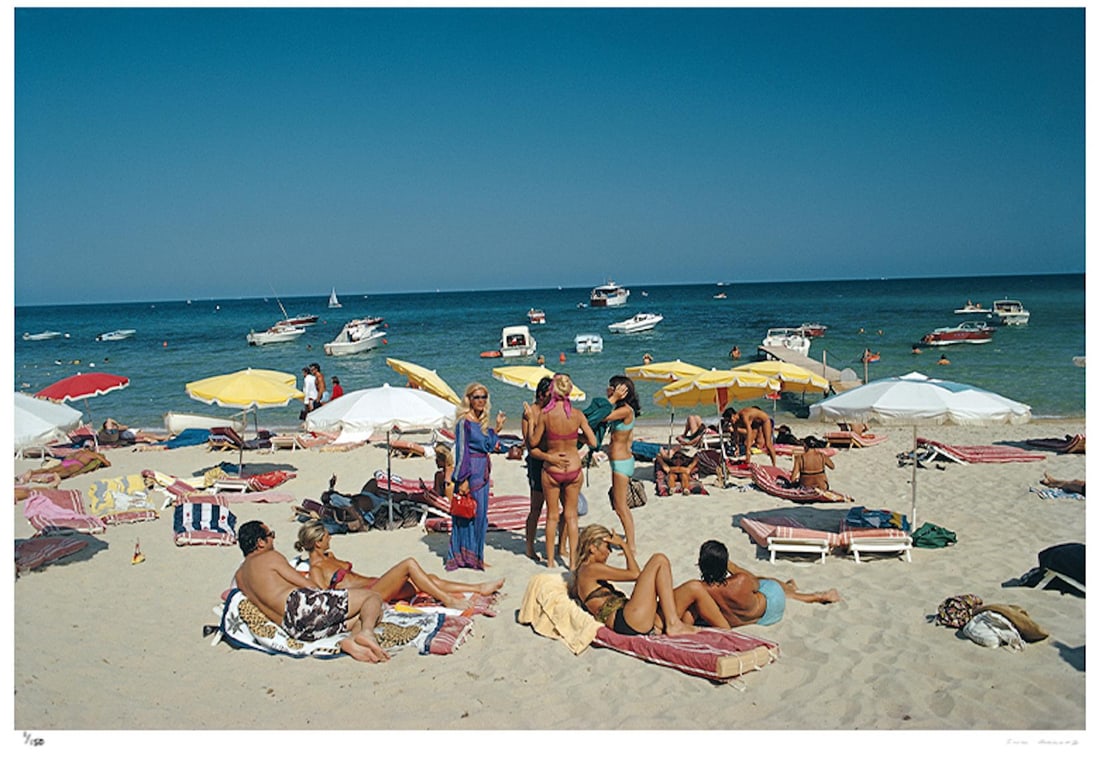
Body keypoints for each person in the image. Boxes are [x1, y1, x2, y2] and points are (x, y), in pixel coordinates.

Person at [233, 520, 389, 662]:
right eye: (270, 535)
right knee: (372, 597)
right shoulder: (269, 557)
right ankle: (366, 633)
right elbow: (309, 586)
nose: (273, 539)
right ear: (260, 542)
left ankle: (352, 640)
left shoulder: (239, 576)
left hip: (294, 629)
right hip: (300, 606)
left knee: (371, 613)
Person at [294, 521, 504, 610]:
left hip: (375, 584)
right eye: (327, 536)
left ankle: (478, 588)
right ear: (317, 542)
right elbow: (321, 596)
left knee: (427, 579)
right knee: (409, 565)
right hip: (368, 594)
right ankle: (448, 600)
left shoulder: (329, 556)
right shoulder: (316, 570)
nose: (330, 538)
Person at [570, 524, 725, 636]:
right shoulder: (590, 569)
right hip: (626, 620)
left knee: (694, 587)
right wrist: (624, 546)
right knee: (659, 559)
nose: (610, 552)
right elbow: (635, 574)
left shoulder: (585, 574)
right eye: (607, 547)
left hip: (636, 618)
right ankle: (673, 624)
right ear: (592, 548)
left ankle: (728, 632)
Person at [687, 540, 840, 627]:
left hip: (759, 619)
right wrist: (732, 567)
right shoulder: (740, 580)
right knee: (764, 583)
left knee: (762, 585)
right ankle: (813, 596)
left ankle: (790, 588)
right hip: (771, 609)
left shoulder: (699, 592)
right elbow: (755, 581)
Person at [530, 373, 597, 569]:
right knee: (571, 516)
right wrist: (576, 437)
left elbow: (533, 444)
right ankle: (573, 562)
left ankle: (550, 561)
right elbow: (593, 442)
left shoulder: (545, 415)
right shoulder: (577, 415)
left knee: (551, 516)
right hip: (573, 467)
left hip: (552, 468)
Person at [447, 383, 506, 571]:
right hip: (470, 471)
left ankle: (477, 557)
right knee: (468, 515)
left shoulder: (482, 421)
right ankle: (465, 557)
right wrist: (462, 479)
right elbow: (462, 452)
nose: (481, 401)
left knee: (480, 516)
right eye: (477, 397)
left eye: (484, 397)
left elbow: (489, 446)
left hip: (483, 472)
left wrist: (497, 428)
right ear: (469, 399)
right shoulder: (464, 422)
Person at [522, 377, 568, 565]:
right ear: (541, 396)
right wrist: (533, 421)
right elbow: (530, 445)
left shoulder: (554, 410)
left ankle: (562, 545)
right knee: (536, 507)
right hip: (538, 462)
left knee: (566, 506)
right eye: (549, 396)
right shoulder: (530, 413)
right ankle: (530, 547)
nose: (553, 399)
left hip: (555, 459)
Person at [601, 375, 641, 554]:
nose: (607, 389)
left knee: (621, 506)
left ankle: (631, 546)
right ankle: (630, 542)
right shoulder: (624, 410)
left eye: (611, 387)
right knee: (619, 505)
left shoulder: (625, 410)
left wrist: (613, 398)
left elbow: (602, 415)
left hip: (621, 463)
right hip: (621, 461)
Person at [16, 448, 112, 486]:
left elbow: (67, 457)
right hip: (77, 463)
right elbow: (108, 464)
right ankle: (51, 477)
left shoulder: (79, 452)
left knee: (50, 469)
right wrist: (101, 460)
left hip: (67, 461)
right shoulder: (93, 454)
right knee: (67, 472)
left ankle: (33, 472)